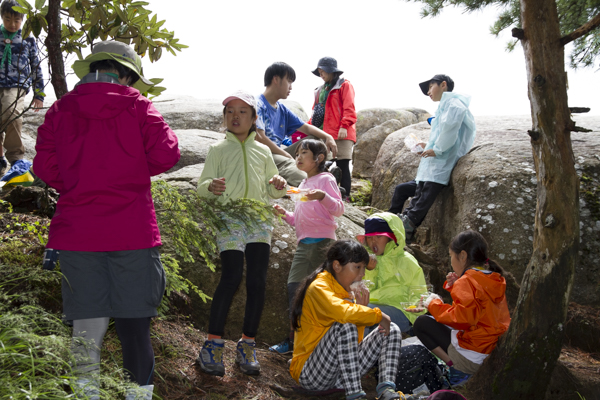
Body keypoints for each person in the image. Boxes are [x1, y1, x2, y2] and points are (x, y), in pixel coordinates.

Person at [33, 41, 180, 400]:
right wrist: (131, 170)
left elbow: (44, 166)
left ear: (93, 68)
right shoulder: (138, 105)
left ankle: (86, 395)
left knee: (86, 328)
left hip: (78, 233)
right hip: (132, 232)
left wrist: (79, 180)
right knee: (134, 328)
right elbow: (167, 152)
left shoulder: (60, 110)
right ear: (126, 73)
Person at [196, 90, 287, 377]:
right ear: (224, 118)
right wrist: (211, 187)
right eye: (230, 112)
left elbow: (275, 190)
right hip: (230, 216)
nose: (235, 116)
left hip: (259, 219)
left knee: (258, 281)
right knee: (232, 275)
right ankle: (212, 345)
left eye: (242, 111)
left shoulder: (263, 151)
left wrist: (279, 183)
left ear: (253, 118)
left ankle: (247, 344)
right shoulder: (217, 150)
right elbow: (202, 187)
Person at [290, 240, 402, 400]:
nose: (362, 274)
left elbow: (349, 346)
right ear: (337, 266)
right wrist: (377, 315)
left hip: (341, 376)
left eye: (364, 268)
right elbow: (344, 315)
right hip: (310, 375)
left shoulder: (344, 289)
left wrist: (361, 317)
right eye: (357, 267)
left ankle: (387, 391)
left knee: (391, 330)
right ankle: (355, 395)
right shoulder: (319, 287)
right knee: (346, 323)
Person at [269, 139, 344, 354]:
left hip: (324, 244)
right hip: (303, 245)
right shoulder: (302, 185)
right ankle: (293, 341)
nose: (298, 157)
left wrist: (322, 196)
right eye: (298, 153)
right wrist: (285, 215)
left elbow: (339, 209)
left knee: (320, 293)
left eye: (304, 153)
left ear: (319, 158)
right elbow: (299, 219)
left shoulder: (325, 179)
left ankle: (320, 344)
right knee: (295, 289)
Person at [412, 230, 510, 383]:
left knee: (422, 323)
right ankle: (457, 366)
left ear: (463, 256)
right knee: (435, 319)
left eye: (451, 255)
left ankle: (455, 368)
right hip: (489, 348)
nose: (450, 260)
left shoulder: (468, 280)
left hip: (471, 355)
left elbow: (461, 319)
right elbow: (479, 308)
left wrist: (433, 304)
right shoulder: (493, 277)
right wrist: (456, 286)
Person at [389, 74, 476, 243]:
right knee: (421, 191)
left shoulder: (455, 104)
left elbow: (450, 130)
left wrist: (436, 149)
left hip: (444, 159)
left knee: (426, 192)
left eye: (430, 87)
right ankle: (403, 224)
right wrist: (427, 144)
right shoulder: (445, 107)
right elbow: (441, 132)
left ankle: (407, 226)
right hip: (437, 160)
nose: (428, 92)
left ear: (443, 84)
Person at [255, 61, 338, 186]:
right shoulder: (258, 104)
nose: (291, 87)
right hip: (262, 153)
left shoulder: (282, 109)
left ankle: (323, 171)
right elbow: (259, 137)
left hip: (277, 152)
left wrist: (328, 137)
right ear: (276, 79)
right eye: (289, 81)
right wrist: (286, 154)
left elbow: (306, 128)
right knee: (290, 164)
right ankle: (319, 183)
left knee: (315, 139)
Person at [357, 213, 427, 335]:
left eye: (378, 237)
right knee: (353, 310)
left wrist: (416, 310)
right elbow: (362, 290)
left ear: (391, 238)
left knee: (365, 313)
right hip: (373, 306)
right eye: (369, 237)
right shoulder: (366, 261)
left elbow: (420, 292)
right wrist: (370, 271)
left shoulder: (406, 261)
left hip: (402, 312)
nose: (373, 241)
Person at [0, 0, 45, 175]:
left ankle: (16, 157)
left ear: (23, 19)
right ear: (2, 17)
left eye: (16, 20)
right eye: (7, 19)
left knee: (12, 115)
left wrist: (39, 93)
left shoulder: (27, 38)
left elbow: (36, 66)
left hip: (16, 85)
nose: (12, 24)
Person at [309, 57, 356, 199]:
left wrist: (344, 125)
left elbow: (349, 107)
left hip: (342, 132)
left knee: (342, 164)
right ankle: (330, 194)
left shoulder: (344, 85)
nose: (321, 74)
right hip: (325, 133)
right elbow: (315, 112)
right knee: (325, 165)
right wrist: (307, 127)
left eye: (323, 71)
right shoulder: (319, 90)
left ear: (331, 71)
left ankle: (345, 197)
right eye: (319, 72)